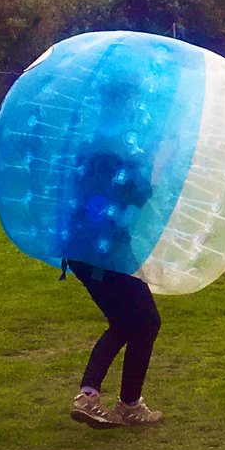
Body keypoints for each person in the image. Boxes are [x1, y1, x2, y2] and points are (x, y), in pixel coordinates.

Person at [64, 150, 163, 428]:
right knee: (147, 322)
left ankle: (90, 397)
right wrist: (156, 163)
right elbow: (140, 194)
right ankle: (129, 405)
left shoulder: (93, 150)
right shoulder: (124, 156)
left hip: (81, 251)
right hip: (106, 253)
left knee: (123, 323)